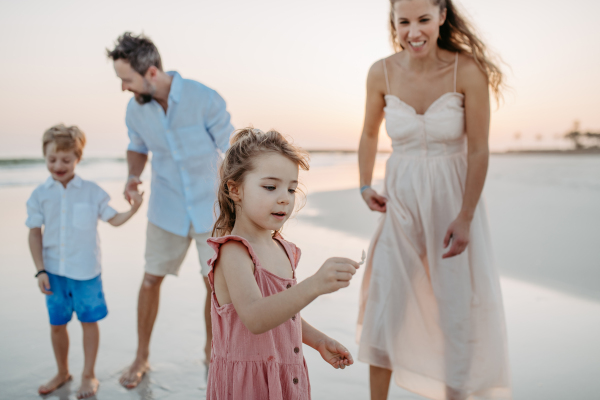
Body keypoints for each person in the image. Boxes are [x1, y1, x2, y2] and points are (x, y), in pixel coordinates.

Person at [356, 0, 511, 399]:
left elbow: (478, 149)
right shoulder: (381, 72)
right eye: (403, 21)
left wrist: (466, 216)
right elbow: (370, 134)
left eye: (423, 19)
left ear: (442, 15)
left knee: (457, 312)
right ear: (393, 21)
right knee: (385, 306)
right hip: (401, 202)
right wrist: (363, 184)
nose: (413, 31)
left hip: (453, 203)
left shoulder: (466, 70)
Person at [106, 32, 234, 388]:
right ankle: (141, 356)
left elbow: (233, 149)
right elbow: (137, 145)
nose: (122, 88)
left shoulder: (203, 98)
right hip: (166, 206)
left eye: (126, 80)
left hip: (211, 206)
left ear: (149, 73)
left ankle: (213, 352)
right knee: (150, 279)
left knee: (214, 284)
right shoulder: (135, 109)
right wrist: (133, 176)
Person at [206, 128, 358, 399]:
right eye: (270, 187)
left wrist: (318, 340)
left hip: (286, 375)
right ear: (235, 189)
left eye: (291, 188)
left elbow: (284, 315)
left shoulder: (283, 249)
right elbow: (255, 317)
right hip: (248, 385)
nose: (285, 198)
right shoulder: (234, 252)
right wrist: (313, 285)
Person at [27, 124, 143, 399]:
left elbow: (114, 220)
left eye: (66, 160)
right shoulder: (39, 195)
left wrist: (134, 208)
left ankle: (88, 374)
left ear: (77, 158)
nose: (58, 165)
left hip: (86, 273)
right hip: (53, 272)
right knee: (57, 324)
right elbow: (34, 234)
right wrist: (40, 270)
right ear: (44, 158)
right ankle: (62, 371)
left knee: (89, 322)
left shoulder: (92, 192)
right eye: (52, 159)